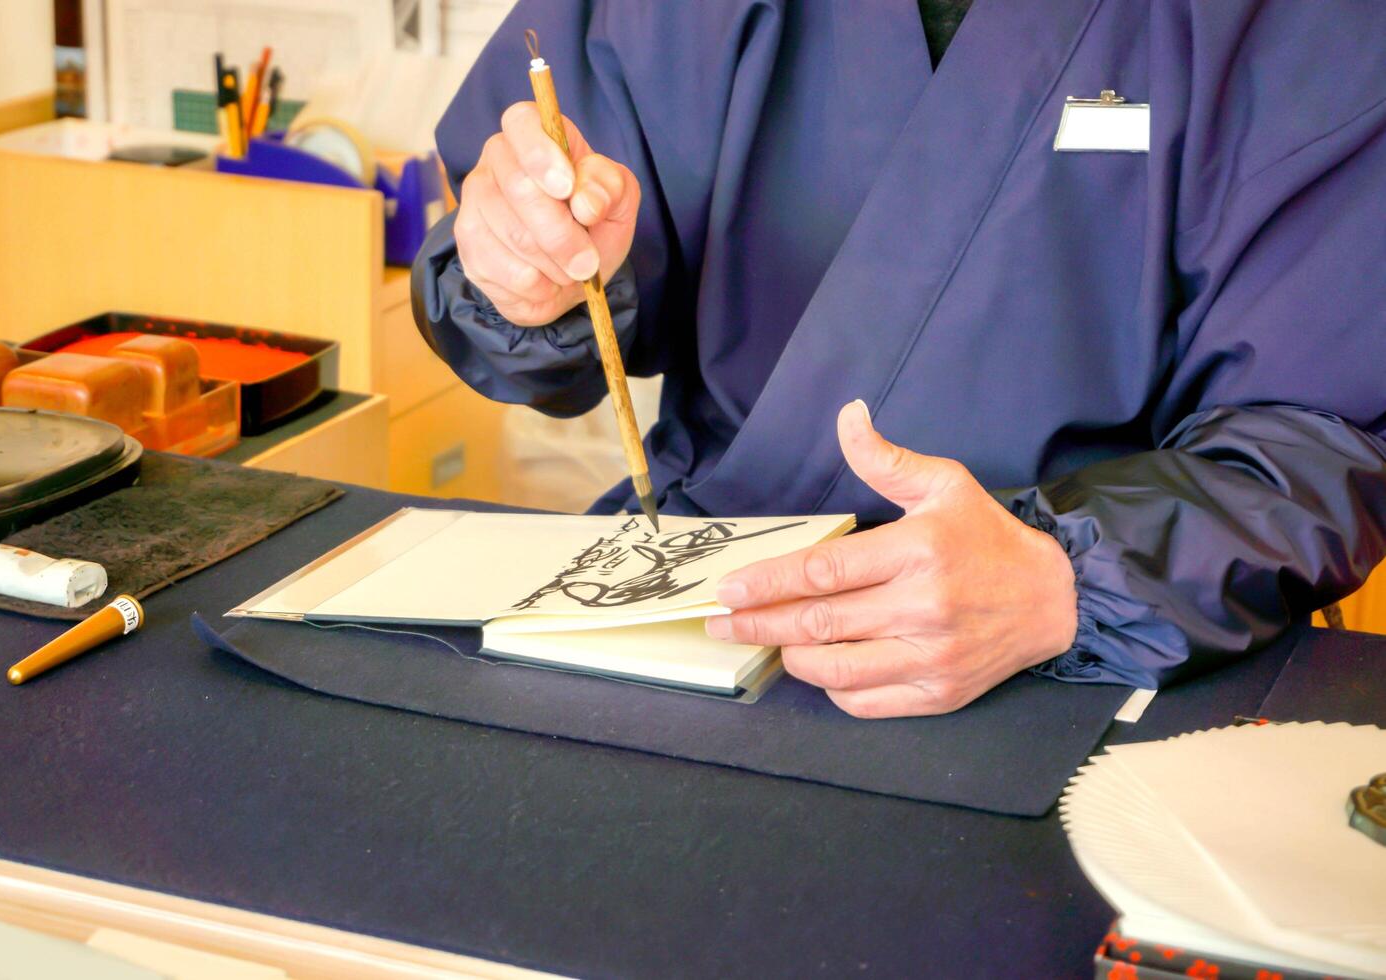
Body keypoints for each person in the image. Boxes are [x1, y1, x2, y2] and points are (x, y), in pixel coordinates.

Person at [412, 0, 1386, 717]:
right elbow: (530, 293)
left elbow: (1320, 435)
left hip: (1088, 666)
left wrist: (1069, 582)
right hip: (699, 625)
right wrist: (521, 272)